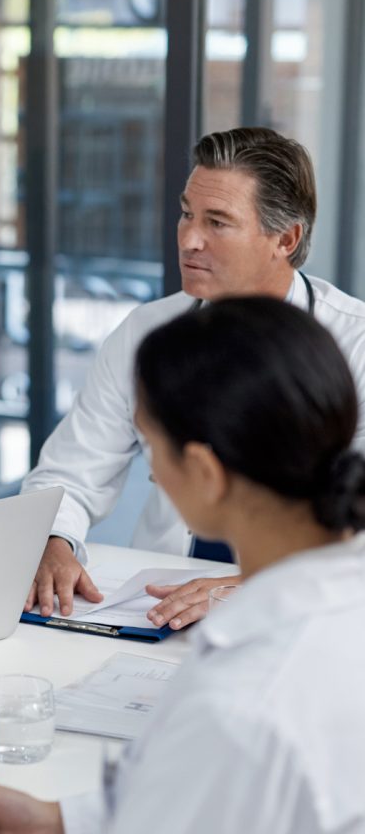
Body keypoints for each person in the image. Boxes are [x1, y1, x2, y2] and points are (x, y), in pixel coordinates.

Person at [0, 298, 365, 834]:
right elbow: (259, 820)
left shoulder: (247, 701)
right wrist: (65, 830)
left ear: (204, 474)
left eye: (152, 445)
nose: (150, 467)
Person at [22, 126, 365, 631]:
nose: (189, 239)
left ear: (285, 239)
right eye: (186, 213)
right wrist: (53, 543)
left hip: (308, 613)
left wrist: (249, 586)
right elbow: (70, 474)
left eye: (218, 222)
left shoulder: (355, 344)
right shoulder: (146, 332)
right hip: (158, 607)